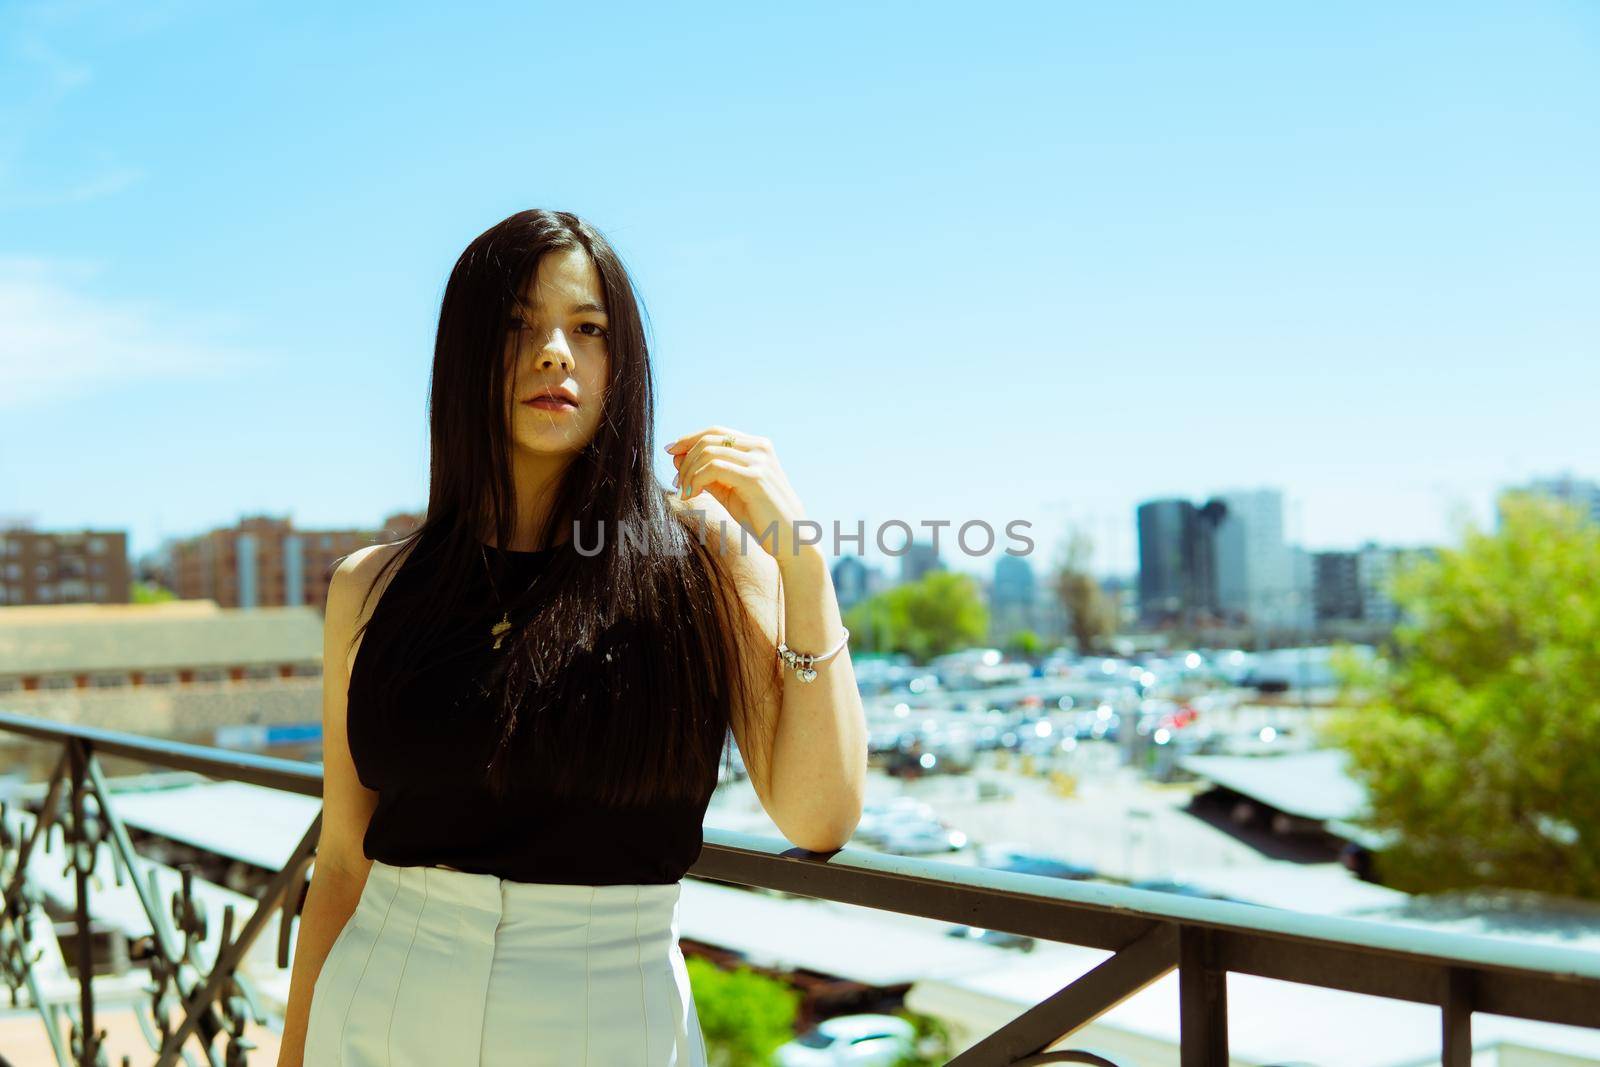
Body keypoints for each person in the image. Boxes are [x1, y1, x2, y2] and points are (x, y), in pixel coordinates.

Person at [274, 209, 868, 1066]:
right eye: (519, 325)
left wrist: (802, 566)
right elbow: (339, 864)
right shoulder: (371, 585)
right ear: (462, 358)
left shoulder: (703, 559)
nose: (556, 351)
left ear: (618, 362)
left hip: (609, 1021)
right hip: (381, 1008)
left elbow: (819, 814)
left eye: (587, 329)